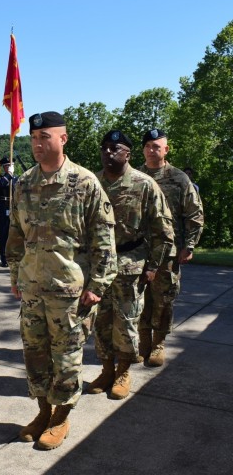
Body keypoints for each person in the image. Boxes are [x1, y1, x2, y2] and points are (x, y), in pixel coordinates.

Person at [6, 111, 117, 450]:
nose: (38, 144)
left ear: (63, 139)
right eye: (34, 139)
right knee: (35, 357)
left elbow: (104, 238)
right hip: (32, 289)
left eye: (45, 138)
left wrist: (98, 286)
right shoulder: (23, 183)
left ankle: (61, 418)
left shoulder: (84, 183)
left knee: (66, 361)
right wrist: (15, 275)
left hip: (70, 293)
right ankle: (43, 411)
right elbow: (15, 234)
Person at [87, 130, 174, 400]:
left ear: (128, 154)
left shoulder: (144, 184)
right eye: (105, 148)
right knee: (100, 322)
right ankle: (106, 370)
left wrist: (153, 266)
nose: (108, 153)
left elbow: (164, 230)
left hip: (130, 265)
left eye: (115, 148)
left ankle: (123, 371)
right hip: (97, 267)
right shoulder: (91, 182)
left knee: (126, 323)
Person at [138, 129, 204, 367]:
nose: (151, 150)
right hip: (139, 251)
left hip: (168, 251)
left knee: (164, 299)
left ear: (166, 150)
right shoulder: (135, 176)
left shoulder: (178, 178)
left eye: (157, 146)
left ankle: (158, 343)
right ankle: (142, 341)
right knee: (139, 298)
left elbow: (194, 214)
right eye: (148, 146)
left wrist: (189, 245)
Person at [0, 157, 17, 267]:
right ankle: (4, 258)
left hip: (13, 207)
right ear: (3, 167)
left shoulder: (17, 179)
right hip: (2, 206)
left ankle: (14, 257)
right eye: (7, 165)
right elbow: (0, 186)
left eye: (10, 165)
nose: (9, 167)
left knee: (14, 234)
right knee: (3, 234)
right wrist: (8, 175)